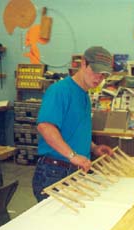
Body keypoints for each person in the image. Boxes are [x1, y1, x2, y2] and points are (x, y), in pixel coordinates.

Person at [32, 46, 114, 202]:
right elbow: (45, 127)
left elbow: (74, 132)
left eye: (103, 75)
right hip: (55, 172)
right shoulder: (60, 91)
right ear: (83, 64)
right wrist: (72, 155)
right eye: (95, 71)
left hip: (75, 170)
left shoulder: (84, 95)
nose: (99, 78)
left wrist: (94, 148)